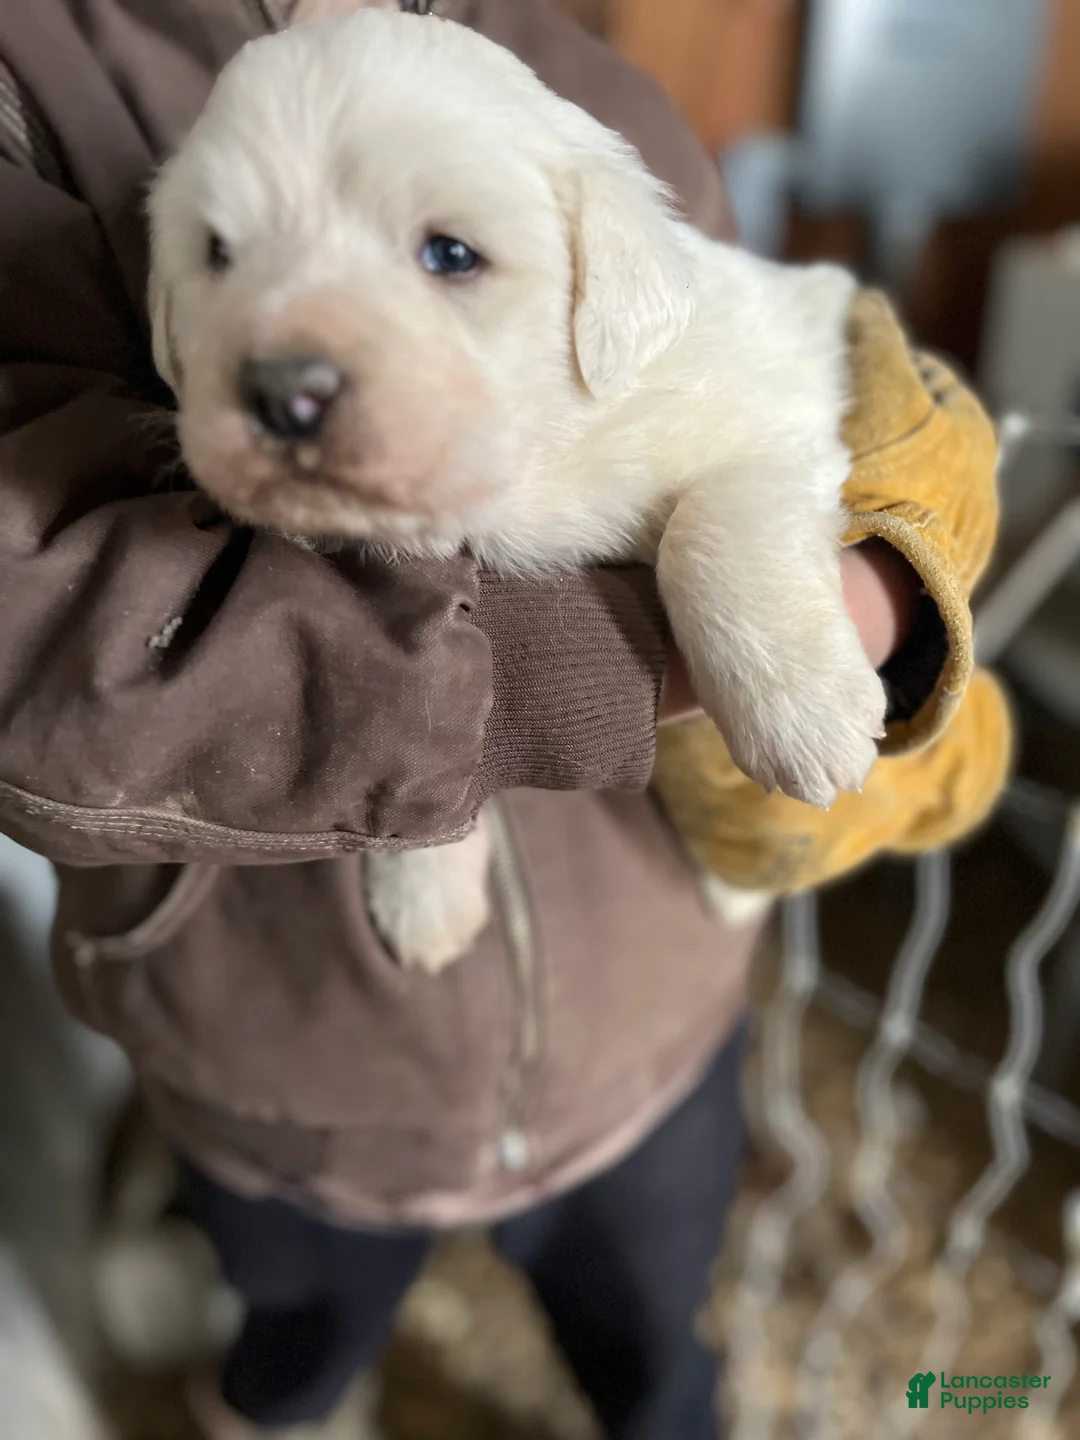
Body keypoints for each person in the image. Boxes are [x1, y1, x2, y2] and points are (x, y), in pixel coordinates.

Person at [0, 1, 1003, 1436]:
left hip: (645, 1028)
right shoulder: (32, 76)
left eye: (450, 254)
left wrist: (810, 593)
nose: (285, 362)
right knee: (295, 1330)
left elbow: (778, 392)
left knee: (655, 1341)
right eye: (220, 253)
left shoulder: (563, 85)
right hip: (291, 1074)